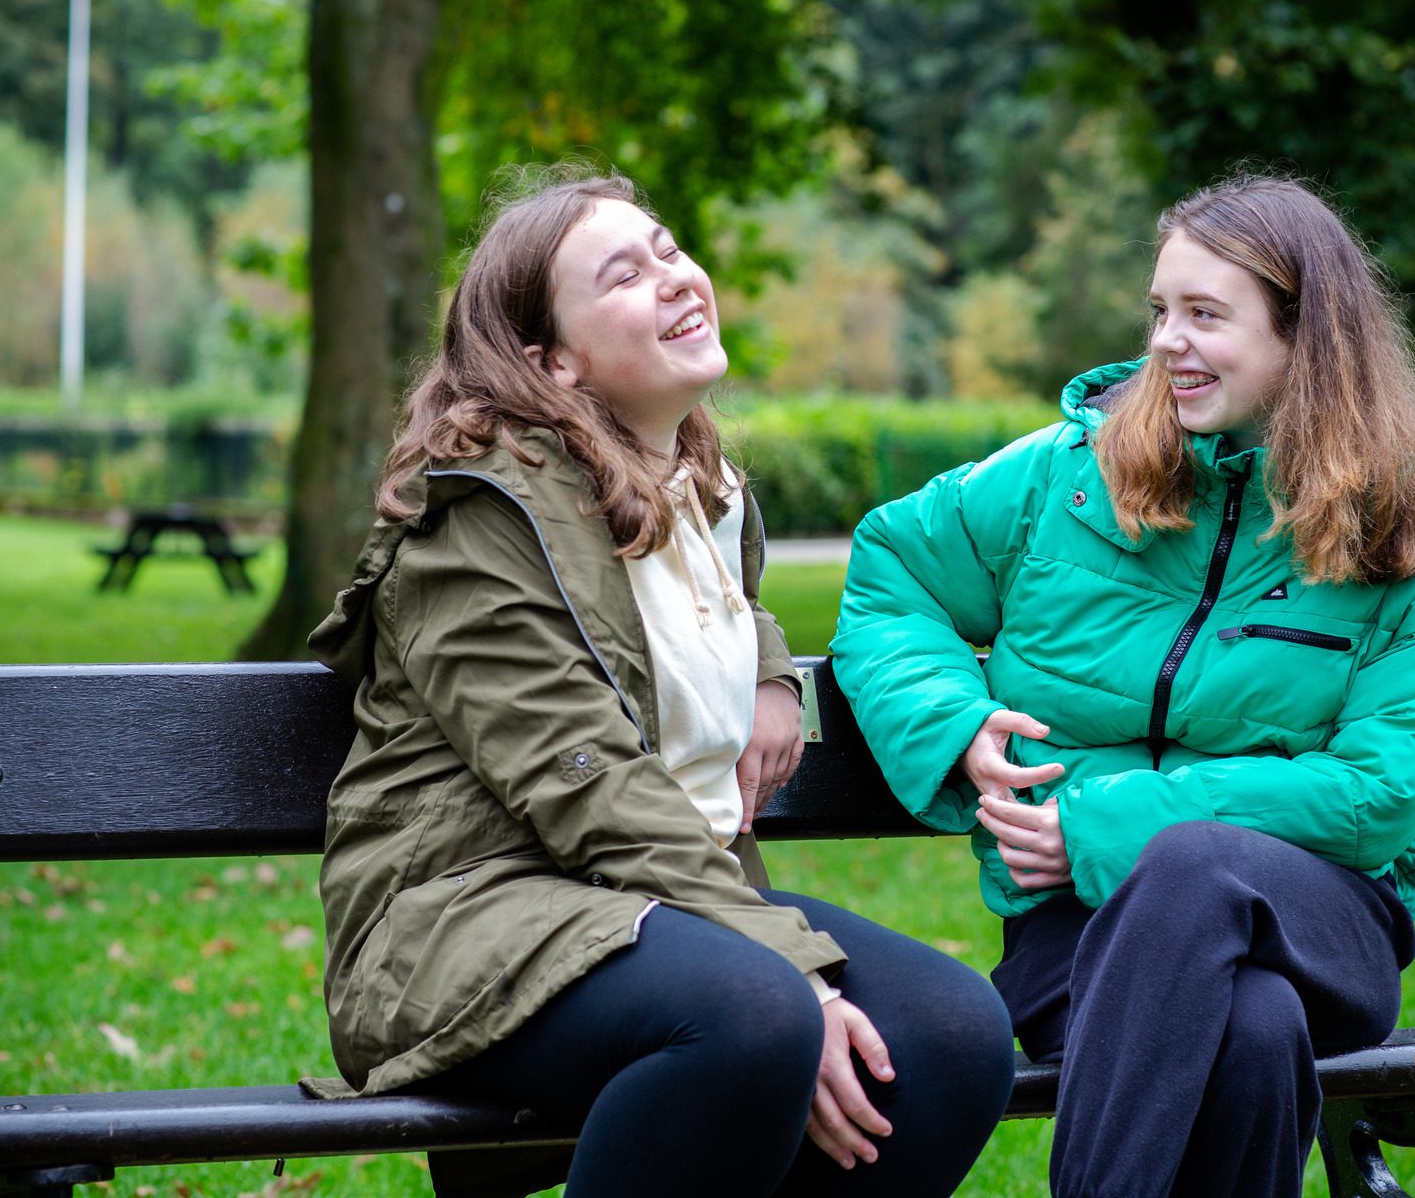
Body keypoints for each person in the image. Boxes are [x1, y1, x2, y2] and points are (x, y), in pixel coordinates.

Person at [308, 166, 1013, 1198]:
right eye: (624, 275)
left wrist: (773, 667)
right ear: (551, 362)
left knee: (951, 1035)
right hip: (467, 915)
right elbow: (582, 778)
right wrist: (801, 976)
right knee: (757, 1016)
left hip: (649, 904)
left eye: (669, 249)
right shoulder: (477, 521)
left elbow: (679, 616)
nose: (675, 276)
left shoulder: (694, 487)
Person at [832, 174, 1415, 1197]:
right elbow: (890, 572)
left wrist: (1102, 821)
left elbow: (1379, 789)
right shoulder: (1067, 478)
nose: (1166, 342)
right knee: (1253, 1029)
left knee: (1190, 865)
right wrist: (952, 725)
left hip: (1322, 917)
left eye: (1204, 315)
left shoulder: (1413, 526)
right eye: (1160, 311)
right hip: (1070, 929)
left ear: (1302, 334)